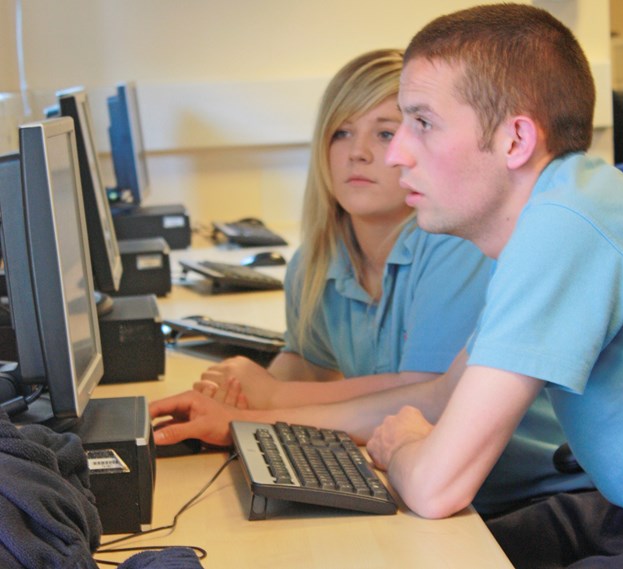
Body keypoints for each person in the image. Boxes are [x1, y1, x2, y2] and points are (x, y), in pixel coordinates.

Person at [150, 47, 594, 519]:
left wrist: (262, 407)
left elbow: (430, 396)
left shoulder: (455, 243)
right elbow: (306, 364)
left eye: (385, 133)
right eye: (340, 132)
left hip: (532, 493)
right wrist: (233, 400)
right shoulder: (318, 260)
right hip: (443, 488)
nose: (357, 152)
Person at [361, 4, 623, 567]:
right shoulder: (562, 210)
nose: (396, 153)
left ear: (515, 139)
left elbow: (440, 486)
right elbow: (442, 397)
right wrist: (261, 419)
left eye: (423, 122)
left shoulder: (565, 227)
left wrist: (406, 447)